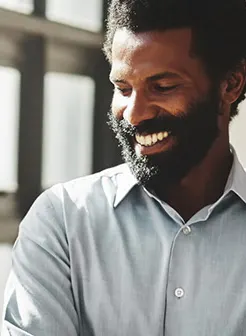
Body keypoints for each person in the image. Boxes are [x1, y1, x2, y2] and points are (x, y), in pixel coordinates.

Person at [2, 0, 246, 335]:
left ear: (230, 84)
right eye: (123, 88)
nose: (134, 114)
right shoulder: (62, 223)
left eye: (162, 87)